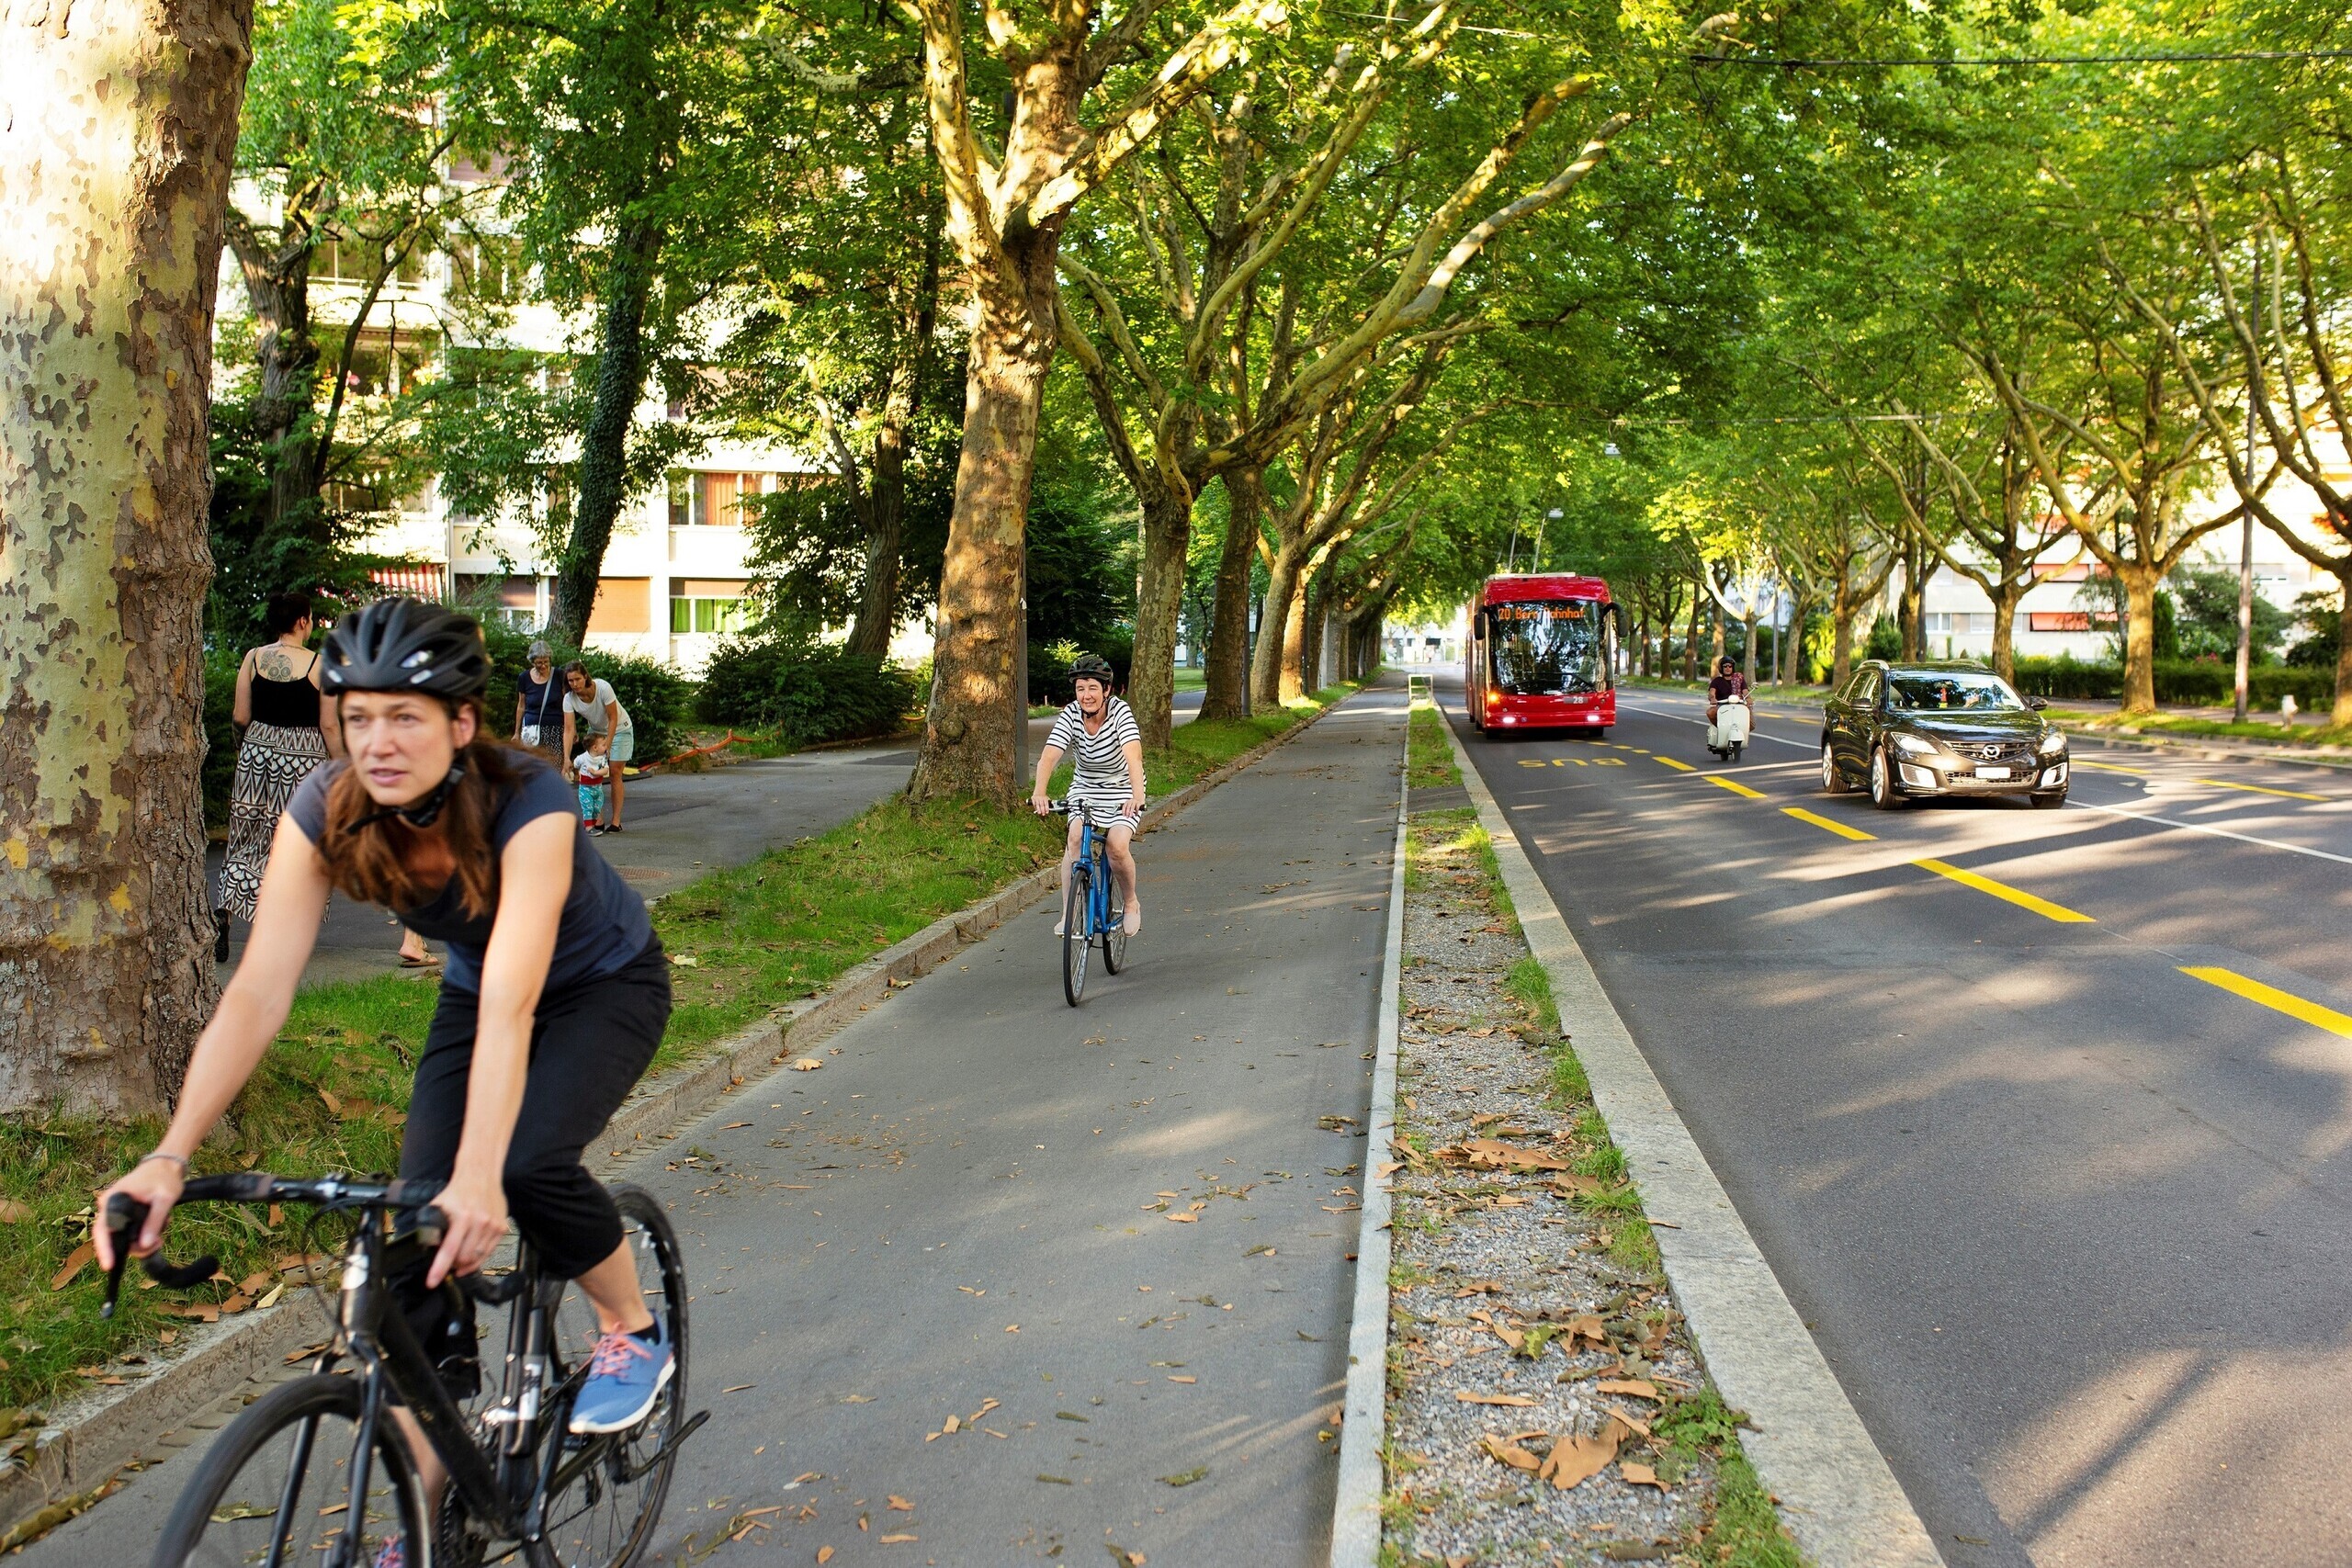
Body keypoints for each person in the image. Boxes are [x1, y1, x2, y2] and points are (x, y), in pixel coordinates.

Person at [98, 600, 675, 1567]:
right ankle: (424, 1515)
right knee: (413, 1241)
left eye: (404, 716)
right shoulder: (324, 808)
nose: (378, 741)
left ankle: (630, 1325)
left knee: (529, 1166)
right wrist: (168, 1156)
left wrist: (482, 1174)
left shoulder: (526, 799)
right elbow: (257, 994)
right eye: (358, 717)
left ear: (459, 723)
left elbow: (515, 1000)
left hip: (598, 985)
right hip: (470, 990)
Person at [213, 592, 344, 964]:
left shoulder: (253, 658)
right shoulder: (321, 666)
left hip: (256, 753)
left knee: (245, 837)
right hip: (301, 763)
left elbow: (240, 716)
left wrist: (246, 752)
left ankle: (224, 909)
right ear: (303, 621)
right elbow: (329, 725)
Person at [1030, 653, 1146, 937]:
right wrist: (1039, 792)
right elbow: (1048, 757)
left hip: (1123, 788)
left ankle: (1131, 903)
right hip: (1085, 787)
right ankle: (1069, 912)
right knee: (1074, 837)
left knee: (1116, 847)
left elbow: (1134, 758)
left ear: (1106, 690)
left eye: (1092, 687)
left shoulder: (1120, 712)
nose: (1086, 695)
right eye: (1080, 688)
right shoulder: (1071, 714)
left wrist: (1137, 796)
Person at [560, 662, 634, 834]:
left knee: (614, 771)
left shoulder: (602, 687)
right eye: (570, 681)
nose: (574, 684)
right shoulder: (569, 698)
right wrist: (566, 757)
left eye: (577, 679)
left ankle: (616, 822)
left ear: (585, 676)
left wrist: (608, 742)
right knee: (591, 771)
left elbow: (613, 717)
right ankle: (597, 819)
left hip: (620, 729)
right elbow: (569, 729)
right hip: (596, 731)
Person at [514, 639, 564, 760]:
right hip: (531, 730)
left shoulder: (559, 675)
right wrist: (517, 731)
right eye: (539, 663)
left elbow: (566, 705)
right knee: (531, 765)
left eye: (546, 662)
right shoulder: (524, 677)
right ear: (532, 662)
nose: (543, 665)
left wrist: (571, 729)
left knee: (554, 766)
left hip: (555, 730)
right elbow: (521, 705)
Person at [575, 748, 610, 827]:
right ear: (595, 748)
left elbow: (606, 770)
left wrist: (595, 772)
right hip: (585, 788)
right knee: (588, 808)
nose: (606, 747)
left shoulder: (602, 758)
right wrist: (579, 771)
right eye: (603, 745)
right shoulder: (583, 757)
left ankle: (592, 825)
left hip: (598, 788)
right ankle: (588, 827)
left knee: (597, 809)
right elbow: (576, 763)